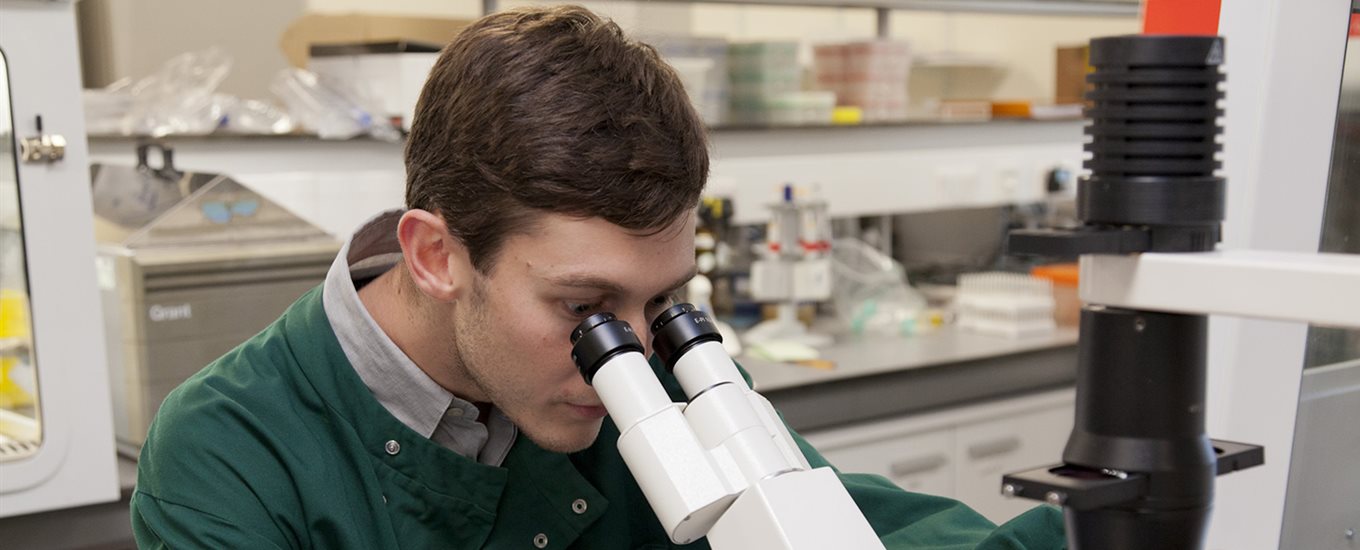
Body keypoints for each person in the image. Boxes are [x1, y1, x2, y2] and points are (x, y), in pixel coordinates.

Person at [130, 5, 1065, 548]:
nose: (628, 357)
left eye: (660, 303)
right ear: (437, 255)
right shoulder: (228, 453)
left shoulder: (640, 369)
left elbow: (864, 526)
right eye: (584, 309)